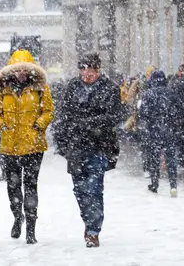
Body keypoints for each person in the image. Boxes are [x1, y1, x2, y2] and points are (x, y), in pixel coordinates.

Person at [54, 53, 122, 248]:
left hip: (99, 146)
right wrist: (64, 142)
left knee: (94, 189)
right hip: (76, 148)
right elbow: (63, 116)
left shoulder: (110, 89)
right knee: (80, 190)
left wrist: (87, 124)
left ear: (98, 70)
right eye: (83, 70)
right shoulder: (72, 88)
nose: (86, 74)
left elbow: (113, 116)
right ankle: (88, 221)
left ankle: (93, 230)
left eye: (90, 70)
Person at [0, 49, 54, 244]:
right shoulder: (2, 88)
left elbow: (49, 111)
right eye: (17, 71)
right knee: (13, 186)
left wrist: (38, 125)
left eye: (24, 70)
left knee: (31, 185)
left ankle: (31, 228)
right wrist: (1, 126)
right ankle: (18, 217)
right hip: (10, 145)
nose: (21, 74)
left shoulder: (40, 88)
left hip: (33, 145)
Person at [138, 70, 179, 197]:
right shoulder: (171, 93)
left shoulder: (148, 94)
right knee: (171, 159)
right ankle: (173, 186)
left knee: (154, 158)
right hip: (169, 130)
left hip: (153, 131)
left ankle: (154, 184)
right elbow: (178, 112)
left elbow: (143, 114)